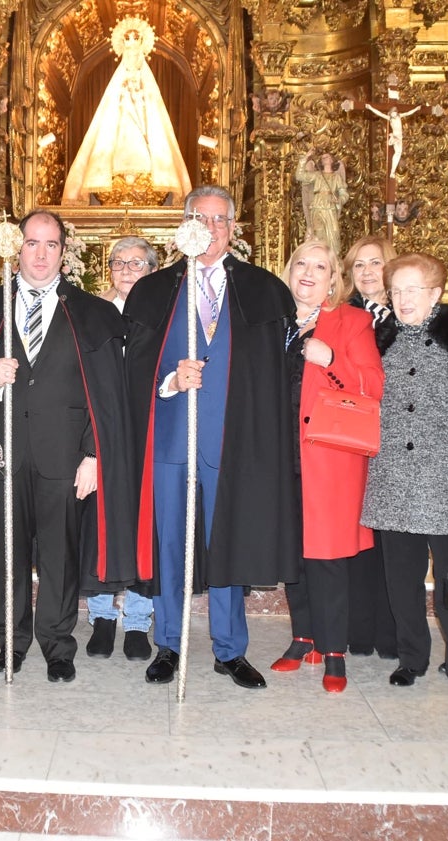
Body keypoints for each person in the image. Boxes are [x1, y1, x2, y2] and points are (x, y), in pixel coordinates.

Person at [124, 185, 301, 689]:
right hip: (169, 443)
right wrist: (170, 382)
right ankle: (170, 644)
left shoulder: (263, 291)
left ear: (232, 228)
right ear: (183, 225)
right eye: (198, 217)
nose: (209, 227)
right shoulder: (153, 292)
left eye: (219, 219)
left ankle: (229, 649)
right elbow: (132, 373)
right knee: (170, 545)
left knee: (229, 544)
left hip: (233, 443)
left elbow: (275, 377)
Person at [0, 209, 135, 683]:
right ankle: (11, 641)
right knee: (7, 555)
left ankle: (57, 645)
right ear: (18, 247)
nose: (41, 254)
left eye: (51, 245)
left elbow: (107, 391)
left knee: (59, 555)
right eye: (33, 243)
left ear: (63, 253)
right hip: (3, 452)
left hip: (65, 456)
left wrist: (94, 454)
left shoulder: (92, 312)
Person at [360, 252, 448, 708]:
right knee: (401, 582)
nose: (402, 300)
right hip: (394, 481)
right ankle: (411, 659)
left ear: (436, 294)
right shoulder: (381, 337)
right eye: (396, 290)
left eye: (412, 290)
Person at [270, 241, 383, 693]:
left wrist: (331, 359)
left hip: (330, 458)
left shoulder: (352, 321)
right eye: (302, 264)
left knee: (329, 556)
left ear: (334, 278)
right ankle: (304, 638)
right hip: (279, 456)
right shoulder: (272, 323)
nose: (309, 273)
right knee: (294, 554)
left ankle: (334, 650)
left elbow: (374, 385)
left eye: (320, 266)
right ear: (289, 271)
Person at [84, 236, 158, 661]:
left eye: (137, 263)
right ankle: (102, 617)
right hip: (102, 434)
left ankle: (136, 620)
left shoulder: (163, 315)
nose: (127, 270)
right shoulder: (92, 313)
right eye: (118, 263)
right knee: (101, 524)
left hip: (148, 433)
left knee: (144, 524)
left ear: (151, 270)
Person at [61, 17, 191, 204]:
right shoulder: (117, 84)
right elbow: (108, 112)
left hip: (143, 124)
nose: (132, 56)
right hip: (120, 126)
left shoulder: (146, 83)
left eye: (135, 51)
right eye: (128, 51)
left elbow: (155, 113)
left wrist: (140, 100)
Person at [343, 235, 399, 659]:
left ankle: (392, 632)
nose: (366, 272)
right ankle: (360, 630)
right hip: (356, 437)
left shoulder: (409, 315)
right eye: (358, 265)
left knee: (393, 544)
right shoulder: (343, 316)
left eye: (375, 263)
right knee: (361, 537)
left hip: (399, 442)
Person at [295, 151, 349, 255]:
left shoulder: (336, 177)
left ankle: (333, 259)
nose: (324, 158)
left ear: (331, 160)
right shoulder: (317, 175)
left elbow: (344, 193)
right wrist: (305, 158)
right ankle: (319, 256)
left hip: (330, 208)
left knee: (333, 234)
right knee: (318, 234)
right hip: (318, 207)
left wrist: (339, 200)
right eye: (322, 157)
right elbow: (300, 176)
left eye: (327, 157)